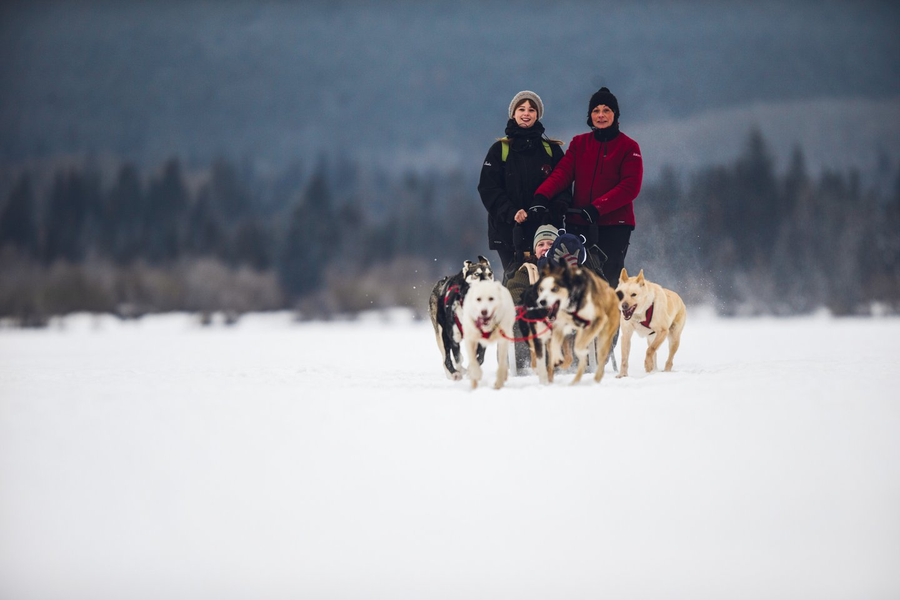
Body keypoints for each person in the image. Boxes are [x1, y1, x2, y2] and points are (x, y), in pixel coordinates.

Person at [533, 86, 642, 290]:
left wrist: (597, 208)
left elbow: (630, 187)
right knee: (575, 282)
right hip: (579, 223)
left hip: (614, 225)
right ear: (590, 116)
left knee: (607, 281)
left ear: (615, 114)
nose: (601, 115)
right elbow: (562, 174)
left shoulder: (629, 147)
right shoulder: (579, 144)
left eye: (606, 110)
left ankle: (609, 321)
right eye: (596, 111)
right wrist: (541, 196)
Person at [478, 90, 572, 278]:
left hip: (545, 231)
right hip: (508, 232)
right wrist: (512, 212)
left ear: (538, 115)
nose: (526, 113)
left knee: (547, 283)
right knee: (517, 281)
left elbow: (565, 185)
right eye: (521, 109)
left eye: (531, 109)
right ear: (513, 114)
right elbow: (488, 189)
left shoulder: (551, 150)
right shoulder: (500, 150)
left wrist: (552, 211)